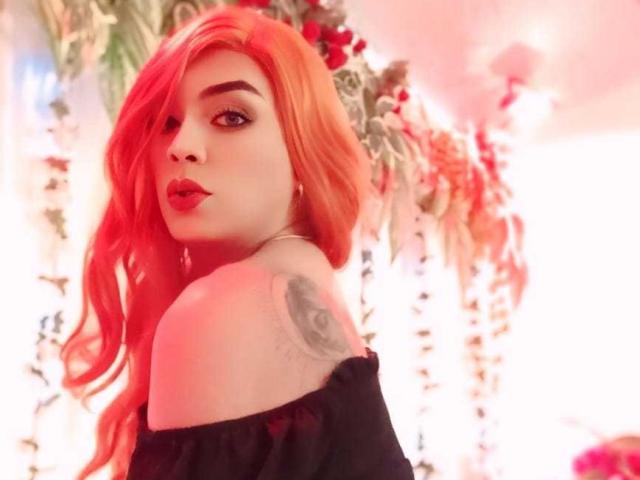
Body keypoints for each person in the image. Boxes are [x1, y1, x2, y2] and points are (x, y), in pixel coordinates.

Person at [60, 4, 414, 479]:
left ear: (303, 149)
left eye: (231, 117)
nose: (181, 146)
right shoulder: (308, 278)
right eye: (165, 122)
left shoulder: (218, 309)